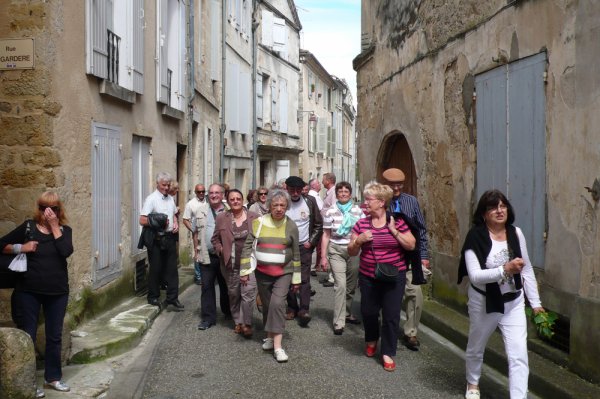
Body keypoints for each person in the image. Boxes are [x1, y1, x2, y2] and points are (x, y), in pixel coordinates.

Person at [458, 189, 544, 399]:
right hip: (484, 301)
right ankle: (472, 383)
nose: (499, 210)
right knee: (476, 347)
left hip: (513, 302)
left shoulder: (516, 233)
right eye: (493, 207)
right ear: (484, 213)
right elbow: (475, 276)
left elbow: (526, 269)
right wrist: (504, 269)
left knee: (518, 355)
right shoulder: (475, 236)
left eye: (503, 206)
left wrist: (535, 303)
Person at [0, 191, 74, 396]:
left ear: (60, 210)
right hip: (28, 291)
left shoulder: (64, 231)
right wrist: (21, 247)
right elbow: (1, 244)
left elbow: (66, 251)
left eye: (53, 208)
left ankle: (53, 378)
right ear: (38, 209)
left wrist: (54, 226)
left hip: (57, 292)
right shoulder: (28, 228)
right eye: (43, 207)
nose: (48, 212)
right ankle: (28, 382)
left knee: (54, 336)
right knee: (28, 336)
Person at [347, 182, 416, 372]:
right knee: (368, 311)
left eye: (369, 199)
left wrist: (394, 231)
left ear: (381, 202)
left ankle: (388, 352)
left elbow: (411, 245)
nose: (365, 203)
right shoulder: (361, 224)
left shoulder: (397, 221)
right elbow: (351, 252)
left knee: (391, 315)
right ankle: (371, 339)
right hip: (369, 276)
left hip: (395, 276)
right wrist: (359, 241)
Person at [240, 189, 300, 362]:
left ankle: (278, 346)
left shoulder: (291, 226)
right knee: (267, 305)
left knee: (277, 304)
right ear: (269, 206)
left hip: (284, 272)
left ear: (287, 206)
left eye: (282, 205)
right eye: (275, 205)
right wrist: (244, 271)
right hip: (262, 272)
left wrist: (296, 279)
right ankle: (268, 335)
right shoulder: (258, 223)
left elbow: (296, 254)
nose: (279, 208)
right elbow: (247, 247)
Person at [382, 167, 431, 351]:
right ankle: (387, 327)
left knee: (415, 294)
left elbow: (421, 230)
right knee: (387, 295)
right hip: (387, 258)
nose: (396, 188)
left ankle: (411, 332)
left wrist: (424, 255)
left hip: (410, 256)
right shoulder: (379, 203)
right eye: (392, 185)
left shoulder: (411, 202)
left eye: (399, 184)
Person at [211, 189, 259, 338]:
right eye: (232, 199)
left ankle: (247, 323)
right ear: (228, 201)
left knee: (248, 294)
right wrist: (220, 249)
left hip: (249, 264)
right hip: (230, 264)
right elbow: (215, 239)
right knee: (234, 294)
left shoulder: (254, 217)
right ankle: (238, 321)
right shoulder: (221, 218)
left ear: (243, 200)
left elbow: (261, 238)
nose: (236, 201)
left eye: (238, 198)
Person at [320, 181, 364, 335]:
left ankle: (346, 312)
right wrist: (323, 257)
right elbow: (326, 234)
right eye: (340, 192)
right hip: (336, 250)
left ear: (350, 194)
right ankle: (339, 322)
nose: (343, 194)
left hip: (354, 249)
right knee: (341, 285)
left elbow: (364, 230)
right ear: (336, 194)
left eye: (346, 191)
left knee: (351, 286)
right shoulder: (330, 211)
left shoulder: (358, 211)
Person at [139, 172, 183, 311]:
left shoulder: (170, 198)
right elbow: (142, 220)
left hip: (169, 237)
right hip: (156, 238)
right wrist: (157, 220)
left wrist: (175, 222)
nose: (166, 187)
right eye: (164, 185)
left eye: (168, 185)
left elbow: (173, 213)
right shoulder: (151, 199)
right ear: (157, 184)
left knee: (172, 269)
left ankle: (173, 298)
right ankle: (153, 297)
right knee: (156, 268)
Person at [284, 176, 323, 326]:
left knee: (304, 279)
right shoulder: (283, 202)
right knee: (287, 278)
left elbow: (319, 224)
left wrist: (311, 242)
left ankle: (304, 310)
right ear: (287, 189)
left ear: (302, 190)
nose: (295, 193)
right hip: (286, 247)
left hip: (303, 247)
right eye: (292, 190)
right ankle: (292, 307)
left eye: (298, 190)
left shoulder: (309, 202)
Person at [197, 184, 231, 330]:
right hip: (206, 255)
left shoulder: (230, 211)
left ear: (223, 195)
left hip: (225, 256)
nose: (214, 195)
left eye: (217, 192)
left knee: (227, 286)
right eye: (211, 192)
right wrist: (195, 250)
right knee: (207, 287)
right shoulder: (201, 210)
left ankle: (229, 312)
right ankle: (208, 318)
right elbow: (195, 232)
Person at [183, 184, 208, 285]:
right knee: (197, 252)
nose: (201, 193)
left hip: (209, 231)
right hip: (198, 232)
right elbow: (185, 220)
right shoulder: (190, 204)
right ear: (195, 192)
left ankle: (207, 274)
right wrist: (193, 230)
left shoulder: (209, 201)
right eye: (199, 192)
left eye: (203, 191)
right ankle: (198, 275)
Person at [320, 172, 337, 286]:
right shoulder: (329, 191)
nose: (322, 181)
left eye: (323, 179)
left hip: (331, 225)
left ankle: (333, 278)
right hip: (327, 224)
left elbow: (334, 208)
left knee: (331, 251)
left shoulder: (334, 192)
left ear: (328, 180)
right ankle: (330, 275)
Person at [308, 178, 324, 277]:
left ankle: (313, 266)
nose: (320, 184)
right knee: (314, 246)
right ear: (313, 186)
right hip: (315, 224)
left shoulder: (316, 195)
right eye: (318, 183)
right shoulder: (313, 196)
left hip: (316, 224)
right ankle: (312, 267)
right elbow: (321, 210)